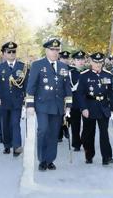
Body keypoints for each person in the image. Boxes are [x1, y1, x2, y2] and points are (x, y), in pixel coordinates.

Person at [26, 38, 72, 171]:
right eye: (52, 49)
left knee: (53, 134)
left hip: (57, 106)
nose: (55, 52)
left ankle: (50, 160)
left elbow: (67, 88)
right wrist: (30, 105)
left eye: (57, 50)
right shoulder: (37, 65)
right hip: (42, 105)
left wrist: (68, 106)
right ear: (46, 50)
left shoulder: (63, 66)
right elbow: (31, 86)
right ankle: (42, 159)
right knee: (43, 131)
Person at [78, 52, 113, 165]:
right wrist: (83, 108)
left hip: (103, 107)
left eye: (100, 62)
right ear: (91, 62)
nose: (98, 64)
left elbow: (110, 92)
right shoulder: (84, 75)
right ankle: (89, 155)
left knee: (104, 133)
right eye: (95, 62)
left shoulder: (107, 75)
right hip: (89, 106)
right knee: (88, 134)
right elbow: (80, 94)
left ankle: (107, 157)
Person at [0, 42, 28, 156]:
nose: (12, 54)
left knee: (15, 123)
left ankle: (17, 146)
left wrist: (28, 99)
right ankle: (7, 145)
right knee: (5, 124)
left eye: (14, 51)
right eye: (9, 52)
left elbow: (26, 84)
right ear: (3, 54)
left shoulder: (23, 67)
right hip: (2, 101)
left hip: (17, 101)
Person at [68, 50, 86, 151]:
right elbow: (70, 88)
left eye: (82, 59)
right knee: (75, 124)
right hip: (75, 102)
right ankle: (76, 143)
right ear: (74, 61)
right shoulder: (71, 72)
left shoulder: (88, 71)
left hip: (87, 102)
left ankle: (84, 140)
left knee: (87, 124)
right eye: (78, 59)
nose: (80, 61)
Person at [58, 50, 72, 142]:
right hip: (59, 95)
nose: (65, 60)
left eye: (67, 58)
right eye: (63, 58)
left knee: (68, 115)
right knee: (59, 115)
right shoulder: (56, 68)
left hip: (69, 95)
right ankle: (59, 134)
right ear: (60, 58)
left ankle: (66, 128)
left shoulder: (71, 69)